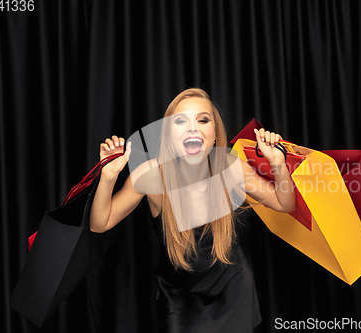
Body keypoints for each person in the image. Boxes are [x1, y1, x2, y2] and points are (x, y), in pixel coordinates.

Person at [90, 88, 296, 332]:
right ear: (169, 136)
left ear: (215, 134)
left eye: (203, 120)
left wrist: (277, 163)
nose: (192, 127)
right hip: (179, 298)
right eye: (181, 121)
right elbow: (99, 223)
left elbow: (285, 203)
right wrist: (108, 175)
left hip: (234, 291)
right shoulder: (151, 174)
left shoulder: (231, 168)